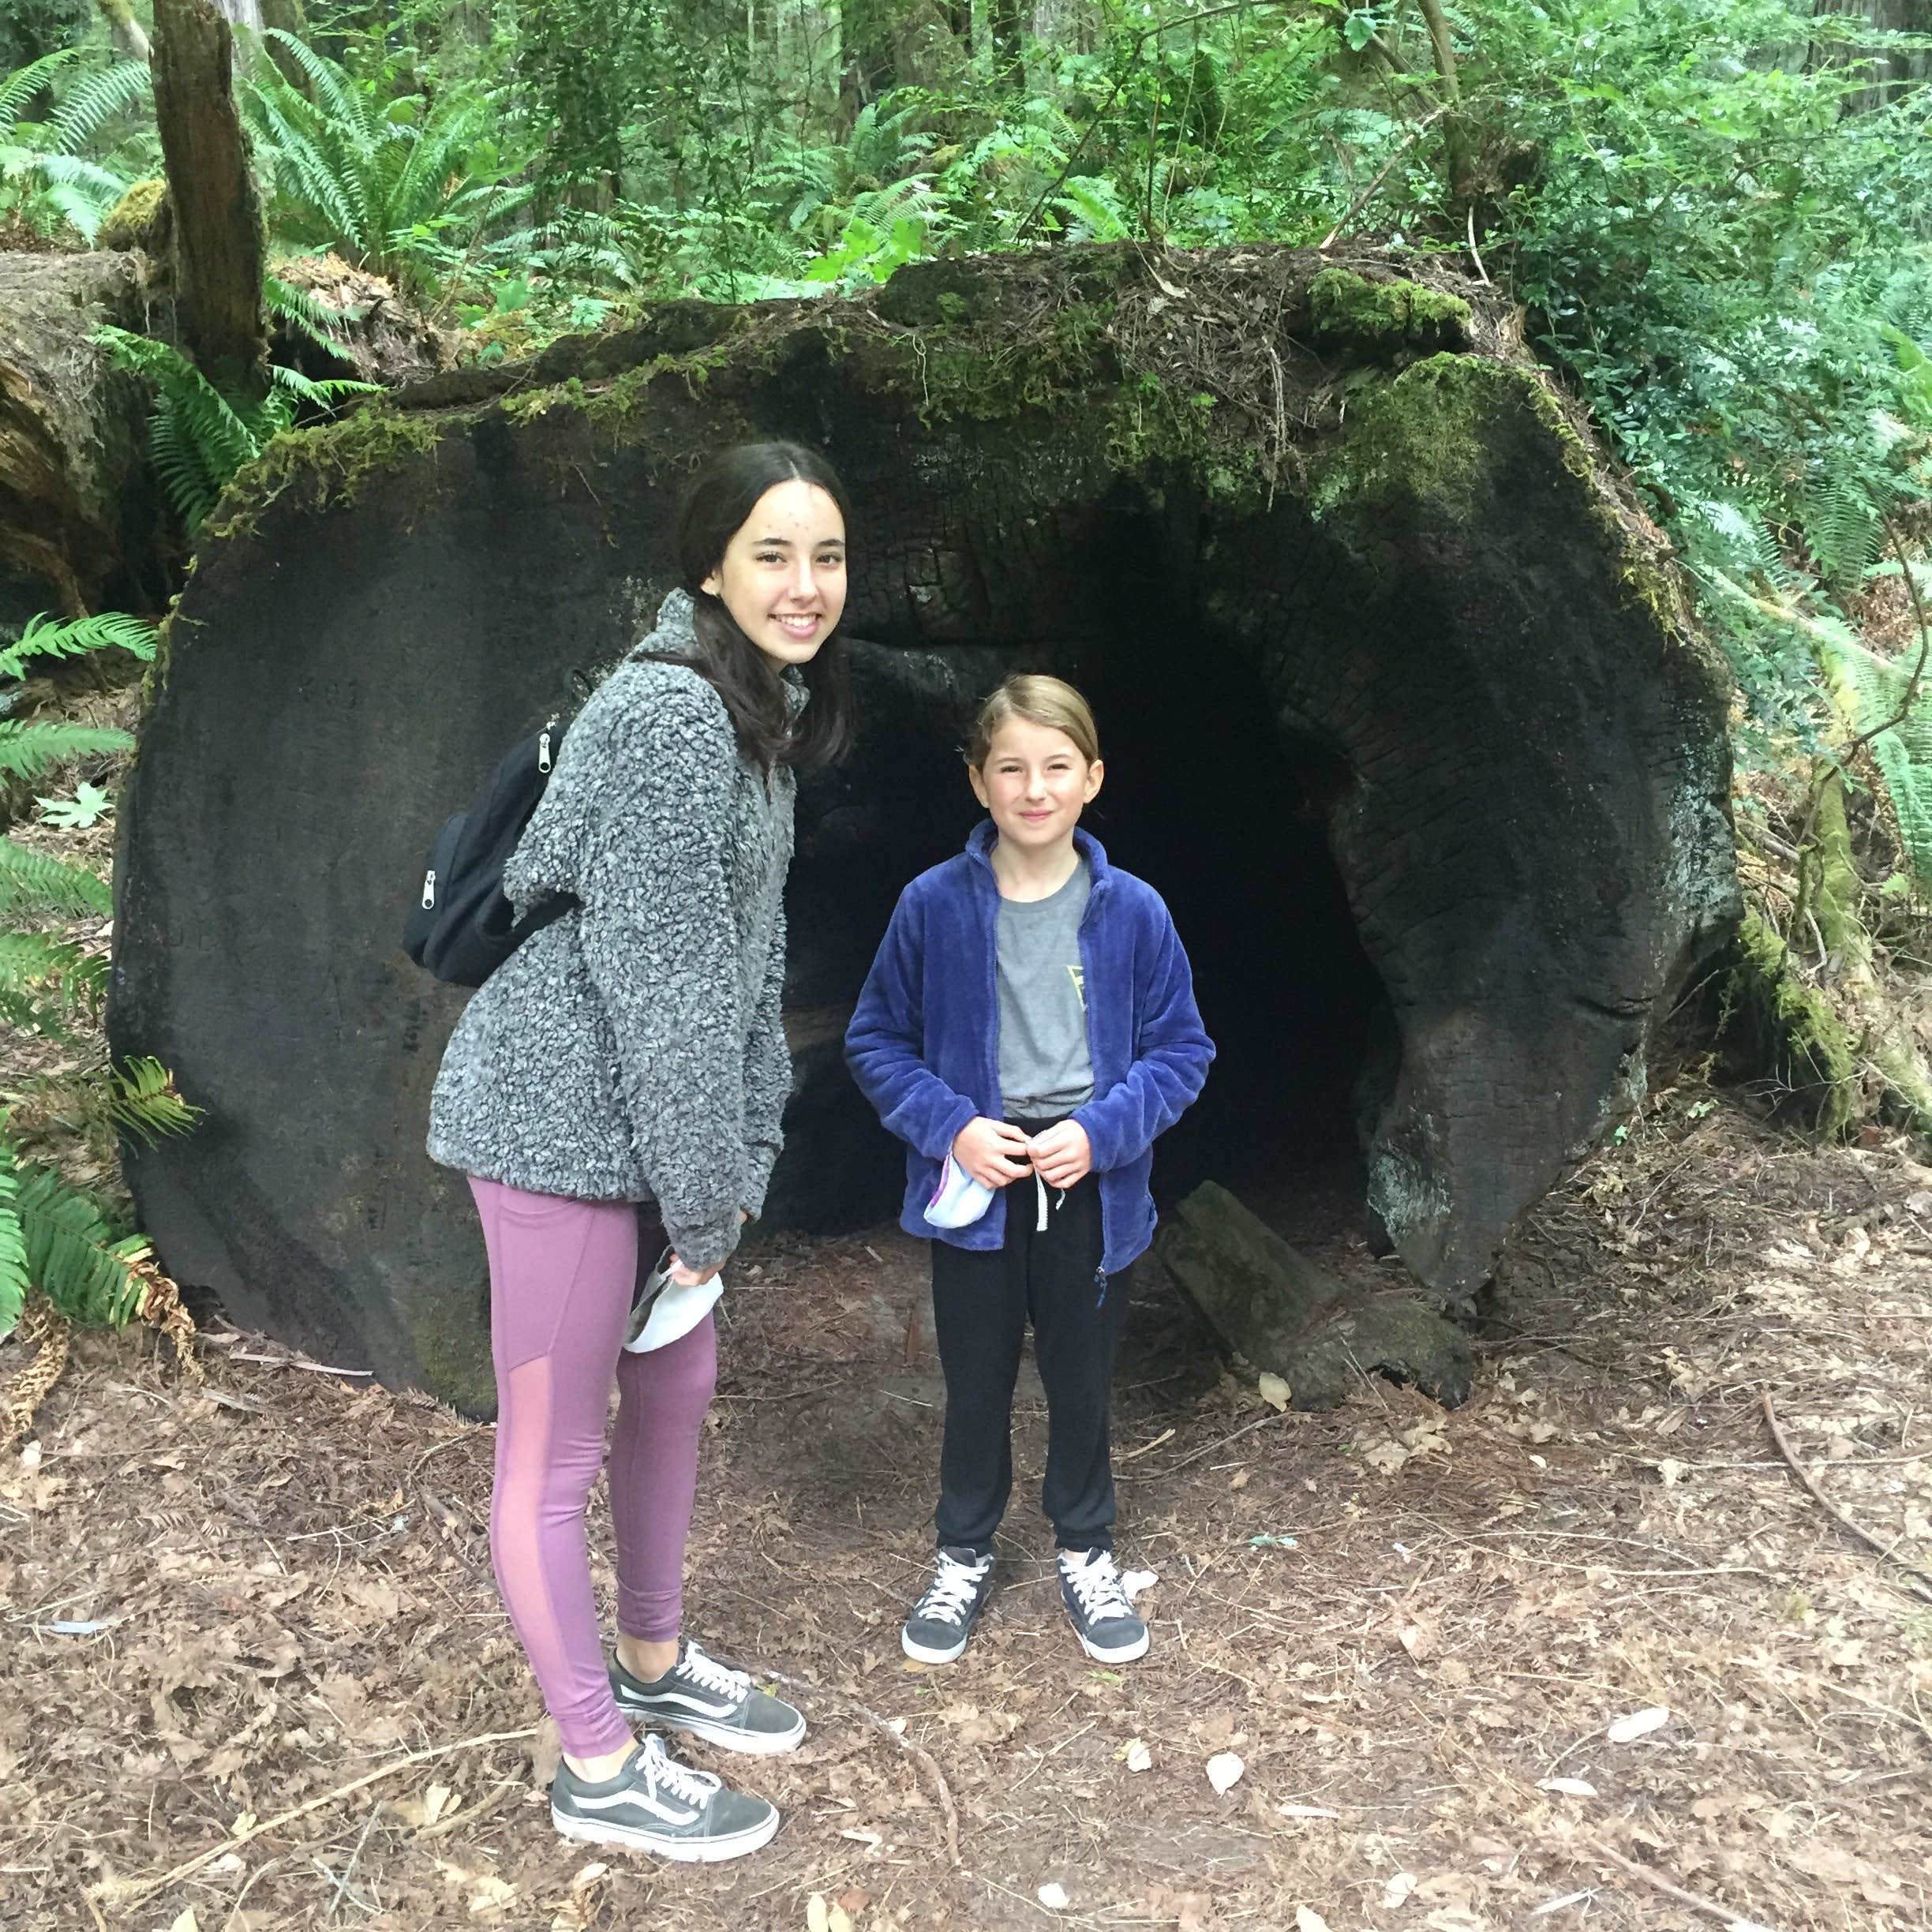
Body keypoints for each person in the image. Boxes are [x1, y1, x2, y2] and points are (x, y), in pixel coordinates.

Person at [426, 441, 854, 1860]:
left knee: (676, 1385)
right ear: (708, 566)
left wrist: (742, 1148)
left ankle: (654, 1659)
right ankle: (595, 1762)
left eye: (827, 556)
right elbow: (665, 980)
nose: (804, 585)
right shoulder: (671, 716)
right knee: (555, 1451)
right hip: (555, 1120)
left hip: (651, 1126)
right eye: (773, 554)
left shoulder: (764, 714)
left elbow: (752, 960)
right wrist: (708, 1193)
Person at [844, 674, 1214, 1669]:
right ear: (978, 781)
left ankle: (1084, 1546)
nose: (1034, 788)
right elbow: (876, 1040)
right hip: (979, 1181)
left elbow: (1182, 1052)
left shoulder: (1133, 911)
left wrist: (1101, 1133)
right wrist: (953, 1128)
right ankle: (963, 1551)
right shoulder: (933, 905)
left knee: (1081, 1375)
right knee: (975, 1377)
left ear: (1092, 778)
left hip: (1088, 1179)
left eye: (1057, 767)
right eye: (1011, 767)